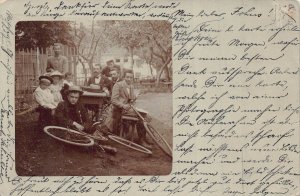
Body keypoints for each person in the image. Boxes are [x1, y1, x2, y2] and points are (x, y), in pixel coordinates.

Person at [105, 69, 152, 149]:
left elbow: (131, 100)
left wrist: (136, 97)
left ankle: (143, 137)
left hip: (128, 109)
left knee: (147, 115)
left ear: (132, 78)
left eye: (131, 77)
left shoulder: (131, 86)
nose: (129, 79)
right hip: (119, 110)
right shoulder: (118, 85)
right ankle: (141, 140)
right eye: (127, 77)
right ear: (124, 77)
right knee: (142, 116)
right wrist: (123, 105)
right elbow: (113, 100)